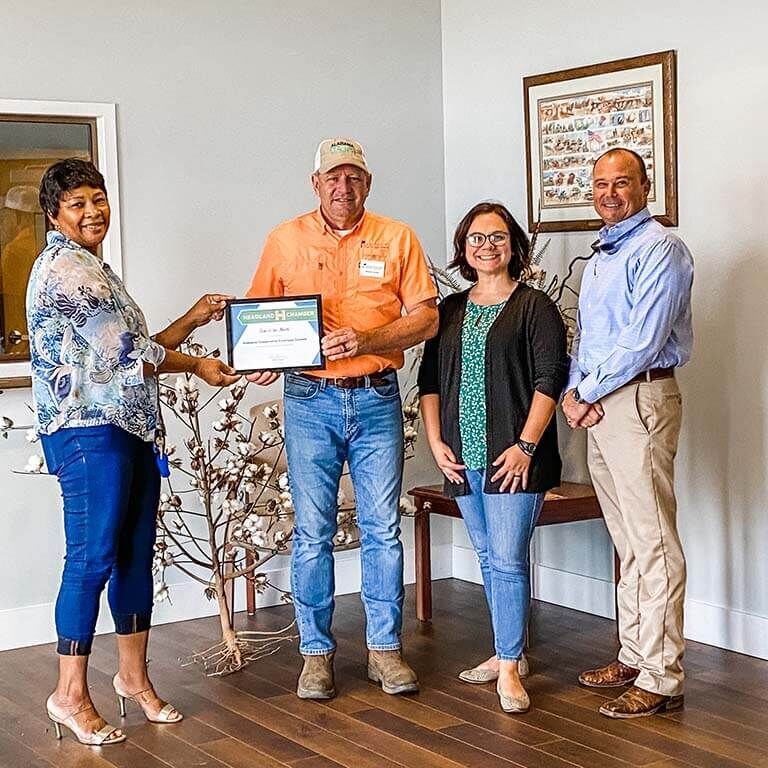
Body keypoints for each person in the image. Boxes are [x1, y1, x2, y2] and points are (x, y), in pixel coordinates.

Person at [27, 158, 240, 746]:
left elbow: (135, 350)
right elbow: (133, 352)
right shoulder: (67, 270)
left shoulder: (98, 268)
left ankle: (132, 678)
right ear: (54, 214)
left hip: (130, 429)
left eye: (99, 199)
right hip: (88, 431)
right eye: (78, 204)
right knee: (92, 559)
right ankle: (68, 694)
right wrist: (197, 363)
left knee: (133, 557)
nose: (93, 211)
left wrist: (195, 318)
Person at [246, 138, 438, 699]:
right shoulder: (284, 240)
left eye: (353, 177)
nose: (342, 187)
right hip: (309, 400)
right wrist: (262, 360)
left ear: (367, 183)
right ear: (316, 183)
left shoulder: (397, 237)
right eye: (333, 177)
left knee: (382, 530)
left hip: (377, 396)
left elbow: (425, 319)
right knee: (313, 534)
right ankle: (316, 656)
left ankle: (384, 651)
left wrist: (369, 338)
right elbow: (260, 317)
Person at [418, 202, 568, 714]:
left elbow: (551, 380)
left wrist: (526, 446)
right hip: (463, 457)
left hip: (513, 458)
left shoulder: (535, 307)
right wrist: (437, 443)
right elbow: (430, 383)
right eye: (477, 237)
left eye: (498, 236)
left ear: (514, 246)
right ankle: (510, 652)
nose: (487, 245)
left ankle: (508, 667)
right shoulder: (450, 310)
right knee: (489, 559)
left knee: (505, 561)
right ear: (463, 247)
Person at [562, 148, 693, 719]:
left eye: (622, 182)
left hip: (638, 396)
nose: (609, 192)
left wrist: (585, 393)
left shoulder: (660, 249)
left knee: (655, 540)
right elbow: (588, 338)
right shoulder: (600, 257)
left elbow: (642, 339)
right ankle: (636, 653)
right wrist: (575, 393)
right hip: (599, 403)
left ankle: (663, 678)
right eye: (600, 184)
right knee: (628, 540)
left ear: (646, 186)